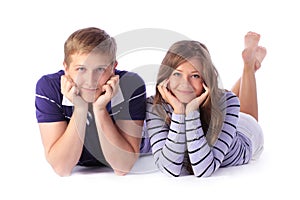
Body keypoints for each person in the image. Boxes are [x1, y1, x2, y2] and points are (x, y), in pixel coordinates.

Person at [145, 31, 266, 177]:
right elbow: (169, 168)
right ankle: (250, 66)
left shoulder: (228, 102)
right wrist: (178, 112)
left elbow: (203, 169)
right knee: (220, 99)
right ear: (167, 77)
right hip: (216, 110)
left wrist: (190, 112)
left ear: (205, 79)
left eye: (195, 76)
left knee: (238, 109)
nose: (185, 83)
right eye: (177, 74)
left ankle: (249, 66)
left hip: (246, 134)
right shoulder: (154, 105)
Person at [35, 27, 146, 176]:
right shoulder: (49, 87)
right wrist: (80, 109)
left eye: (100, 69)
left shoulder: (131, 85)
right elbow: (62, 168)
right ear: (66, 68)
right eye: (81, 69)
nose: (90, 81)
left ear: (113, 68)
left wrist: (100, 109)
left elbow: (122, 167)